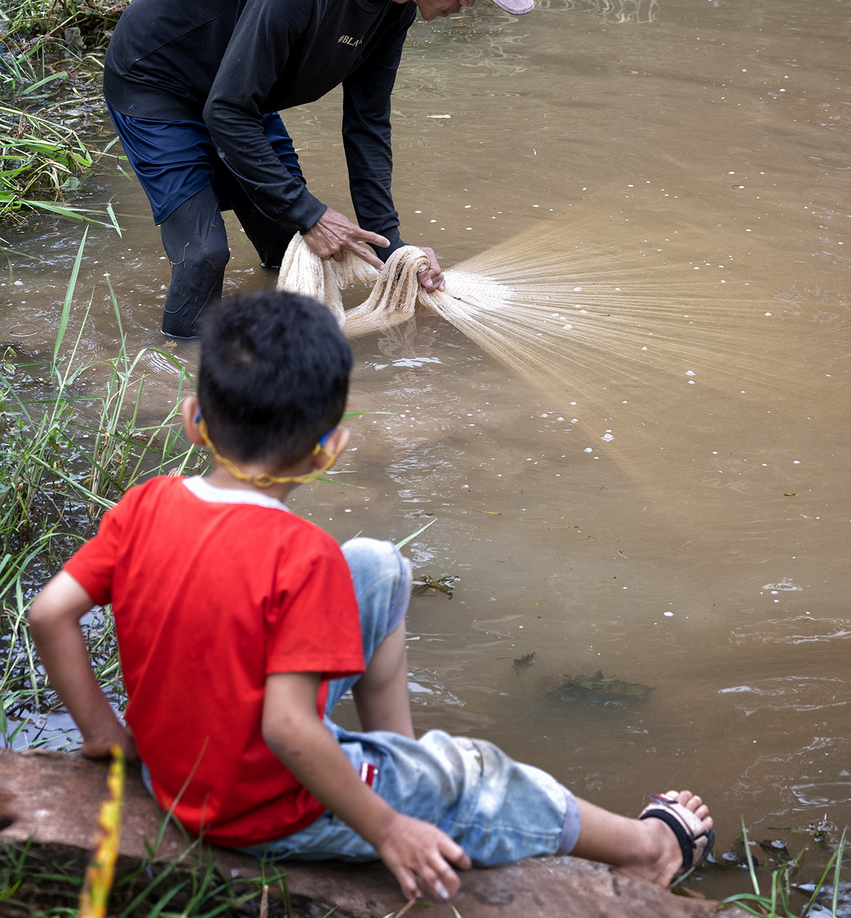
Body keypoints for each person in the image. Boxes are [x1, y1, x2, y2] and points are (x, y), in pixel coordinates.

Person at [26, 291, 714, 901]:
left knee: (378, 565)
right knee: (477, 772)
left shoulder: (147, 503)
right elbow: (288, 728)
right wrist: (388, 831)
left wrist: (106, 736)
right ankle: (647, 851)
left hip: (179, 770)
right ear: (331, 449)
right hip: (257, 814)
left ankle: (391, 756)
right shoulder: (299, 558)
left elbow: (49, 613)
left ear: (192, 419)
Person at [104, 0, 533, 340]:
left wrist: (391, 246)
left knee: (292, 245)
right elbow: (226, 111)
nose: (469, 3)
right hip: (158, 85)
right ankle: (178, 374)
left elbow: (367, 124)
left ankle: (273, 346)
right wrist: (310, 212)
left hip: (242, 94)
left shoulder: (396, 8)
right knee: (204, 254)